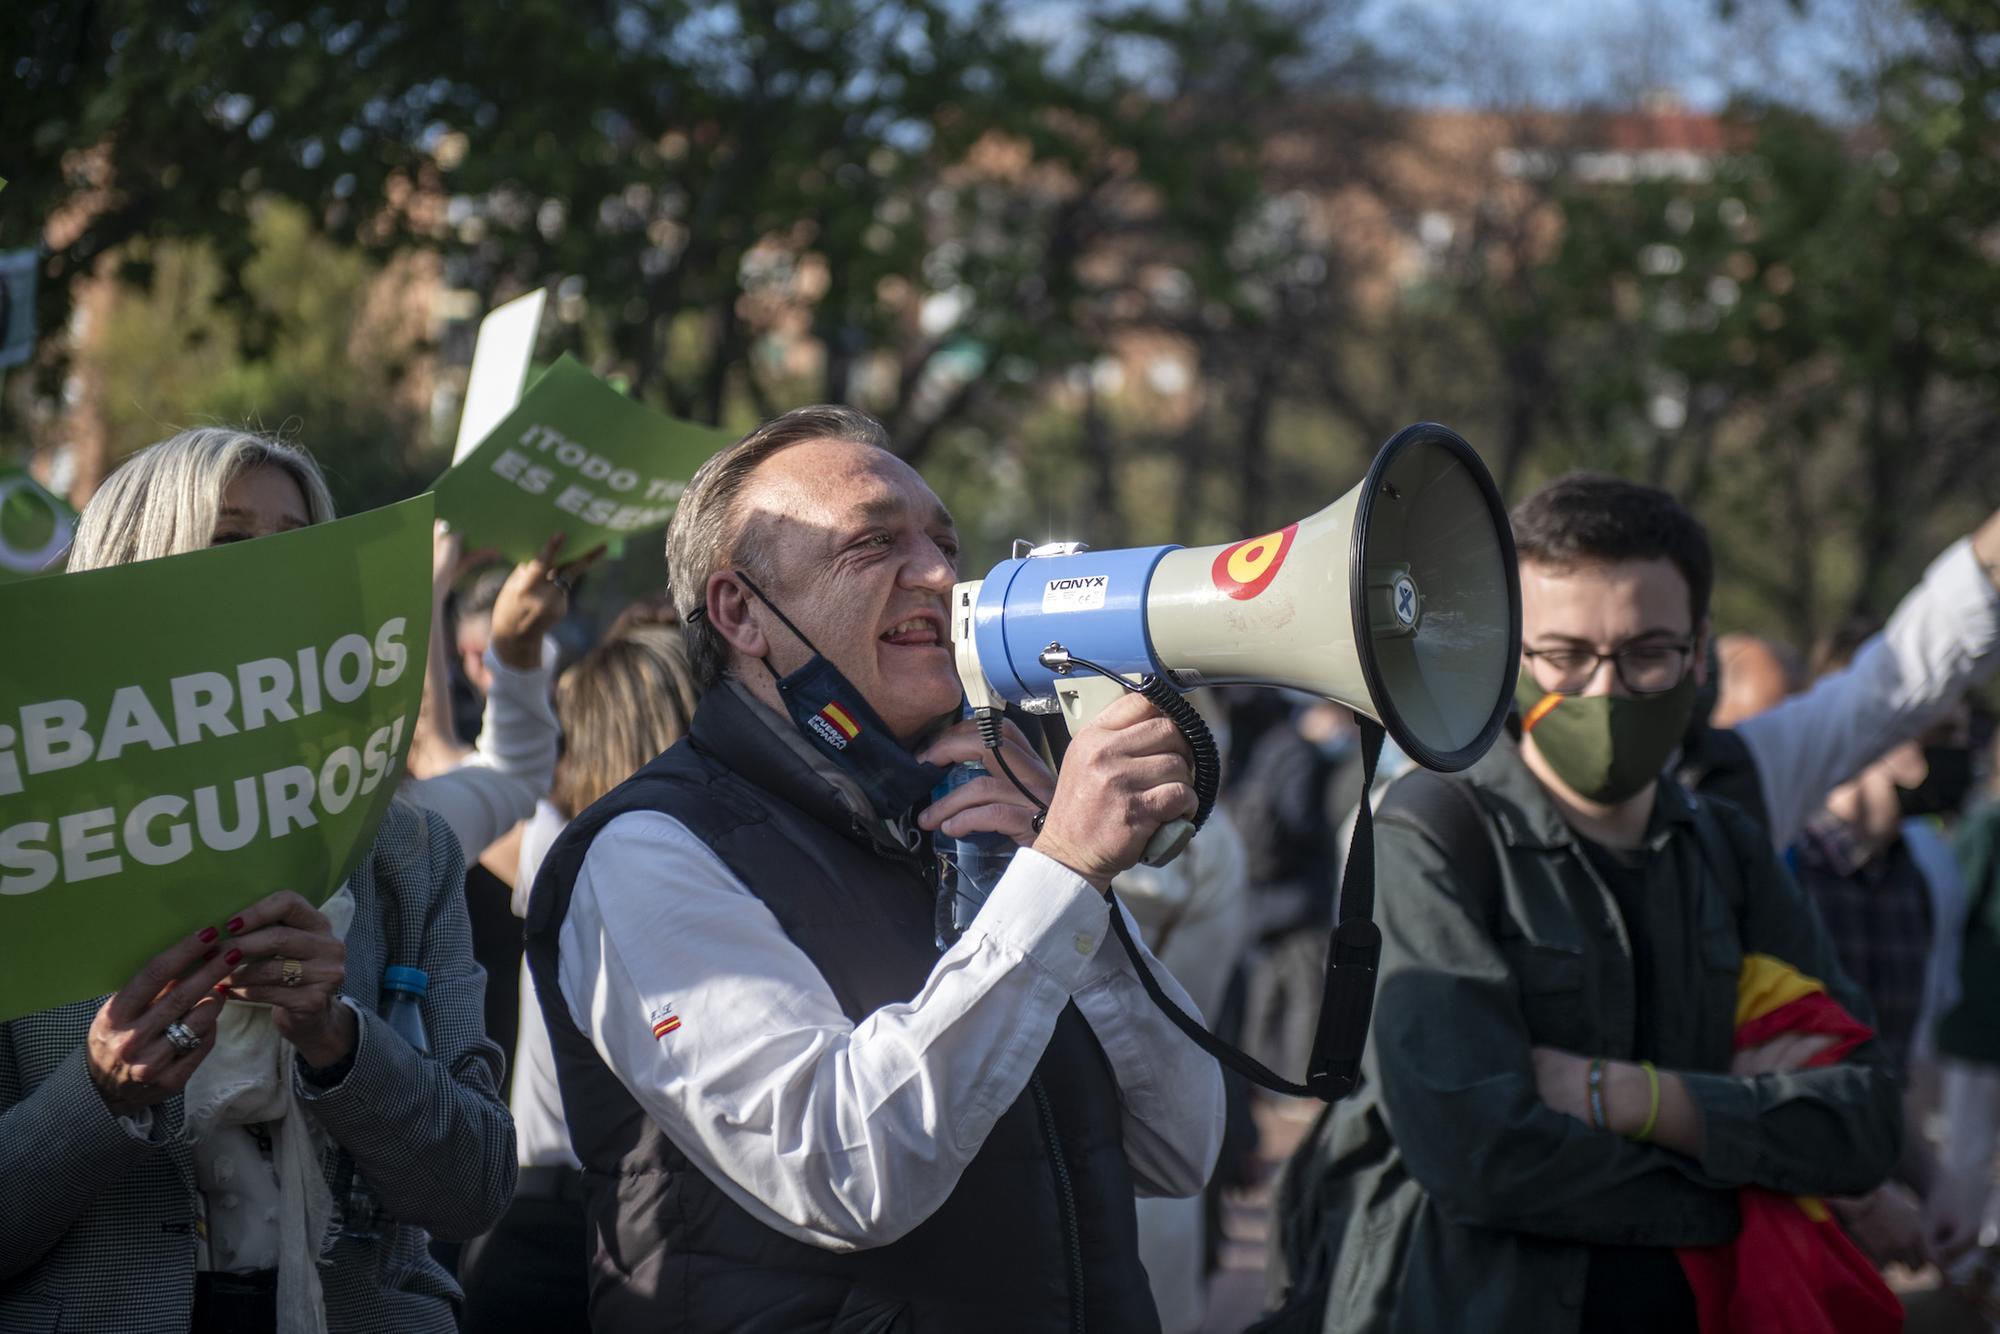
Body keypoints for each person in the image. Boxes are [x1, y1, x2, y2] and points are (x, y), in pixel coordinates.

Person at [524, 405, 1224, 1332]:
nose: (939, 574)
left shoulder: (977, 819)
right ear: (741, 612)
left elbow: (1181, 1146)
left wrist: (1068, 889)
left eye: (944, 541)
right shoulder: (647, 851)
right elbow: (842, 1170)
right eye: (873, 543)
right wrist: (1060, 872)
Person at [1266, 473, 1903, 1334]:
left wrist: (1633, 1098)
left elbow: (1861, 1119)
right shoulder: (1431, 832)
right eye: (1564, 656)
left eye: (1648, 653)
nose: (1605, 693)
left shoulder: (1727, 847)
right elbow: (1481, 1154)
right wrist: (1746, 1176)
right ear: (1510, 652)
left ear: (1699, 649)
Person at [0, 427, 516, 1333]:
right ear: (128, 577)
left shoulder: (402, 852)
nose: (274, 582)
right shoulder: (26, 853)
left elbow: (475, 1190)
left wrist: (339, 1041)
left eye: (300, 550)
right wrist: (99, 1094)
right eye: (230, 544)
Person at [458, 626, 701, 1334]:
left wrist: (491, 629)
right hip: (675, 1221)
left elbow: (433, 756)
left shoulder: (555, 855)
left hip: (542, 1219)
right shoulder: (729, 872)